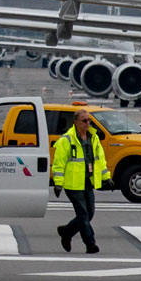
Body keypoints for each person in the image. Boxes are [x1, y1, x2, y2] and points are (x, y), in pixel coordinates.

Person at [52, 108, 109, 254]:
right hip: (72, 183)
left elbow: (100, 160)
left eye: (89, 120)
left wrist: (106, 177)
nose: (88, 123)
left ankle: (67, 232)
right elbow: (59, 163)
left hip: (87, 181)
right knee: (83, 214)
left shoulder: (93, 138)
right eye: (84, 120)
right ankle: (90, 243)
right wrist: (58, 183)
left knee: (89, 213)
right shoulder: (66, 140)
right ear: (76, 122)